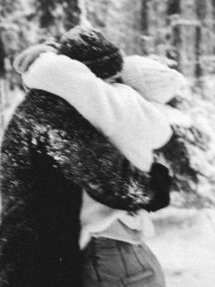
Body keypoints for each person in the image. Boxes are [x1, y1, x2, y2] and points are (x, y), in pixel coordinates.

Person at [15, 27, 187, 286]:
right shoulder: (117, 113)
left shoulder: (103, 110)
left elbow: (64, 80)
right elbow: (116, 182)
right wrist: (153, 186)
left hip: (103, 251)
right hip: (117, 251)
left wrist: (44, 58)